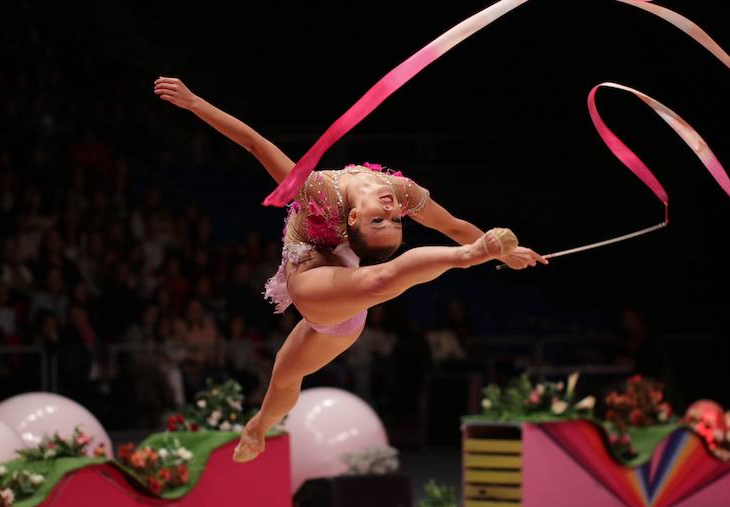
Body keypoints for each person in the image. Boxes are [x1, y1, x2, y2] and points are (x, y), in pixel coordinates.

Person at [154, 77, 548, 462]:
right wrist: (193, 102)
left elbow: (454, 227)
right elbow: (452, 226)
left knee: (363, 295)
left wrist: (497, 252)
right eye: (393, 220)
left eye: (386, 219)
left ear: (355, 218)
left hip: (331, 293)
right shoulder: (394, 194)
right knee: (286, 377)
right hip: (326, 289)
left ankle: (465, 258)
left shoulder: (322, 192)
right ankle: (259, 426)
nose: (394, 212)